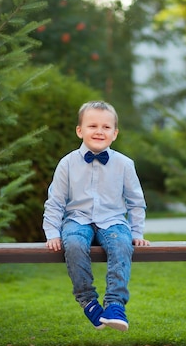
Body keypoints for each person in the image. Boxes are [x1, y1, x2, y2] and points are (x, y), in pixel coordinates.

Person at [43, 100, 150, 332]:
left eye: (106, 127)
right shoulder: (67, 164)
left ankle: (115, 304)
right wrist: (52, 232)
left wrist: (137, 232)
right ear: (80, 130)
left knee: (122, 244)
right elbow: (55, 202)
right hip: (77, 219)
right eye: (92, 126)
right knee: (72, 243)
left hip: (112, 220)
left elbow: (136, 202)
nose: (99, 131)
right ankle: (88, 300)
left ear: (115, 133)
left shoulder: (124, 164)